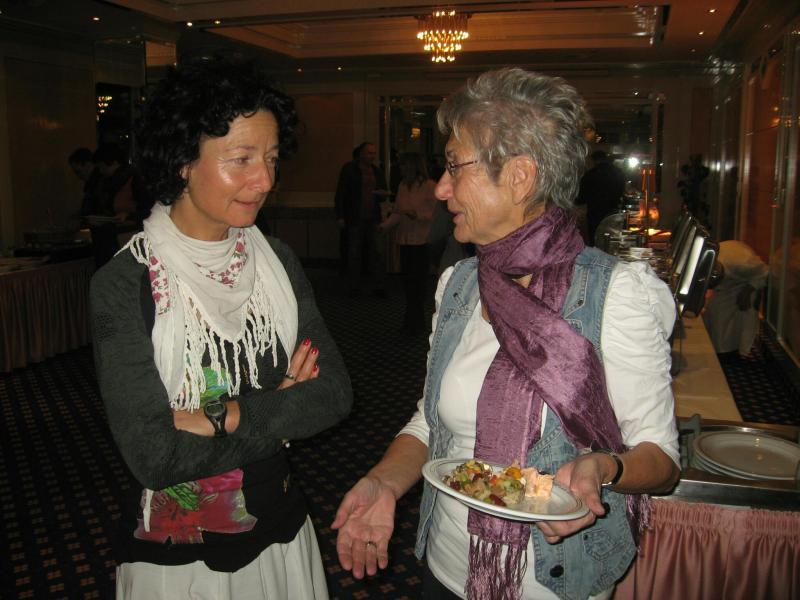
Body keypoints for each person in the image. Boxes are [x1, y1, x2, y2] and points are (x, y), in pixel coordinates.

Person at [332, 68, 680, 600]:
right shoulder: (460, 284)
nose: (441, 187)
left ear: (520, 176)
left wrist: (606, 466)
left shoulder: (617, 293)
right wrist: (384, 481)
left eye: (455, 166)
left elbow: (662, 461)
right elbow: (431, 420)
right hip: (446, 566)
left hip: (552, 582)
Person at [90, 55, 352, 600]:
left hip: (282, 525)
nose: (265, 180)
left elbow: (333, 396)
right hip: (179, 557)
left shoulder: (276, 262)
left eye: (271, 159)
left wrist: (223, 417)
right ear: (183, 161)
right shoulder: (126, 282)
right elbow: (155, 457)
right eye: (242, 159)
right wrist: (282, 411)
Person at [379, 152, 437, 334]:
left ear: (413, 166)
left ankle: (416, 323)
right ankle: (411, 321)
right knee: (408, 284)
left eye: (404, 165)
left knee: (418, 285)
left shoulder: (430, 186)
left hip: (421, 241)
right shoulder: (402, 186)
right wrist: (384, 226)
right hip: (404, 240)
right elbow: (398, 212)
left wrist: (417, 215)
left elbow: (436, 214)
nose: (401, 169)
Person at [334, 141, 390, 295]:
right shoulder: (350, 169)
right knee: (354, 252)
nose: (372, 156)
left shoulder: (376, 171)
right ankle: (354, 286)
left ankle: (379, 286)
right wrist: (340, 216)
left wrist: (382, 194)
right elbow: (341, 193)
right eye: (369, 153)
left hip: (373, 217)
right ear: (361, 154)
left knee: (377, 252)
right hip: (355, 217)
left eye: (374, 153)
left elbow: (383, 192)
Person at [703, 240, 769, 356]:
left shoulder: (743, 263)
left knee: (744, 318)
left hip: (748, 280)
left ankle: (740, 352)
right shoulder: (709, 261)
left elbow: (764, 272)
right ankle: (720, 349)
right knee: (716, 315)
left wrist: (749, 289)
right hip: (725, 285)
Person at [575, 150, 625, 245]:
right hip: (612, 212)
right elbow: (621, 192)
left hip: (595, 213)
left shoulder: (590, 174)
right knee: (613, 239)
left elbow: (582, 197)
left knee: (595, 239)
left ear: (595, 160)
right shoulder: (618, 172)